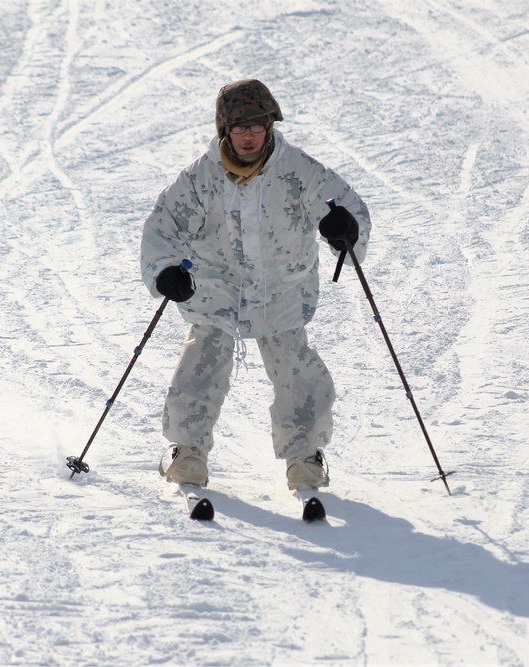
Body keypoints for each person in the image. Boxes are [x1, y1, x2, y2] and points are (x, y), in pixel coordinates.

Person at [140, 79, 370, 491]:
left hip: (281, 288)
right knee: (202, 362)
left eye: (257, 126)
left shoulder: (298, 170)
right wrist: (165, 272)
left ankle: (304, 457)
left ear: (270, 126)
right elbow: (163, 227)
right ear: (224, 130)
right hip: (214, 286)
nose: (248, 136)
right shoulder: (199, 176)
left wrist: (345, 230)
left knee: (295, 369)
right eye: (239, 127)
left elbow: (346, 207)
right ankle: (188, 451)